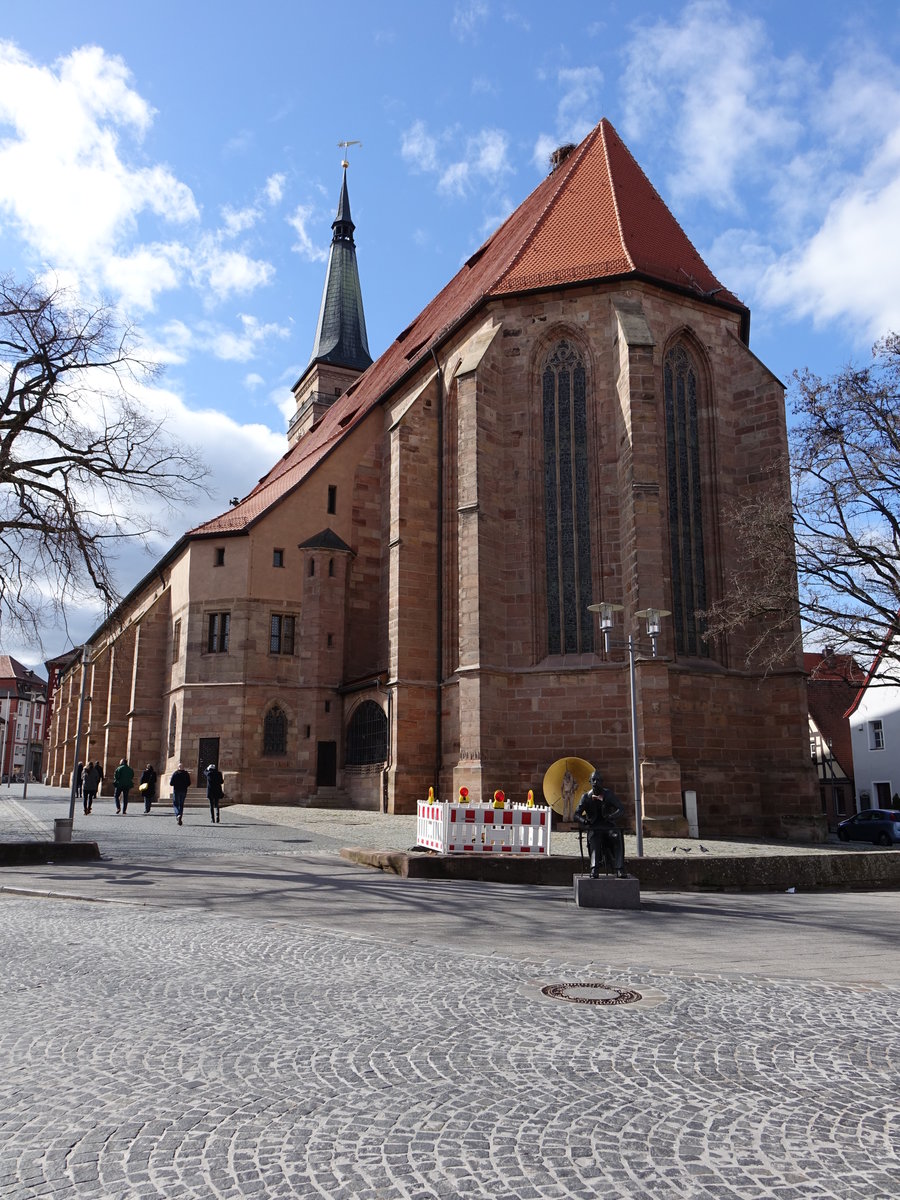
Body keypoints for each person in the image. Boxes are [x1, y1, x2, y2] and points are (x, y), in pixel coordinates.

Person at [574, 770, 626, 879]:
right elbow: (576, 814)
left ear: (602, 782)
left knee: (617, 837)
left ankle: (619, 868)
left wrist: (611, 816)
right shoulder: (586, 797)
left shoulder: (608, 794)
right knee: (595, 840)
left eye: (598, 780)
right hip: (594, 827)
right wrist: (584, 821)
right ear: (590, 781)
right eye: (593, 780)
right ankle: (594, 868)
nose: (595, 782)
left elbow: (621, 809)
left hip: (608, 826)